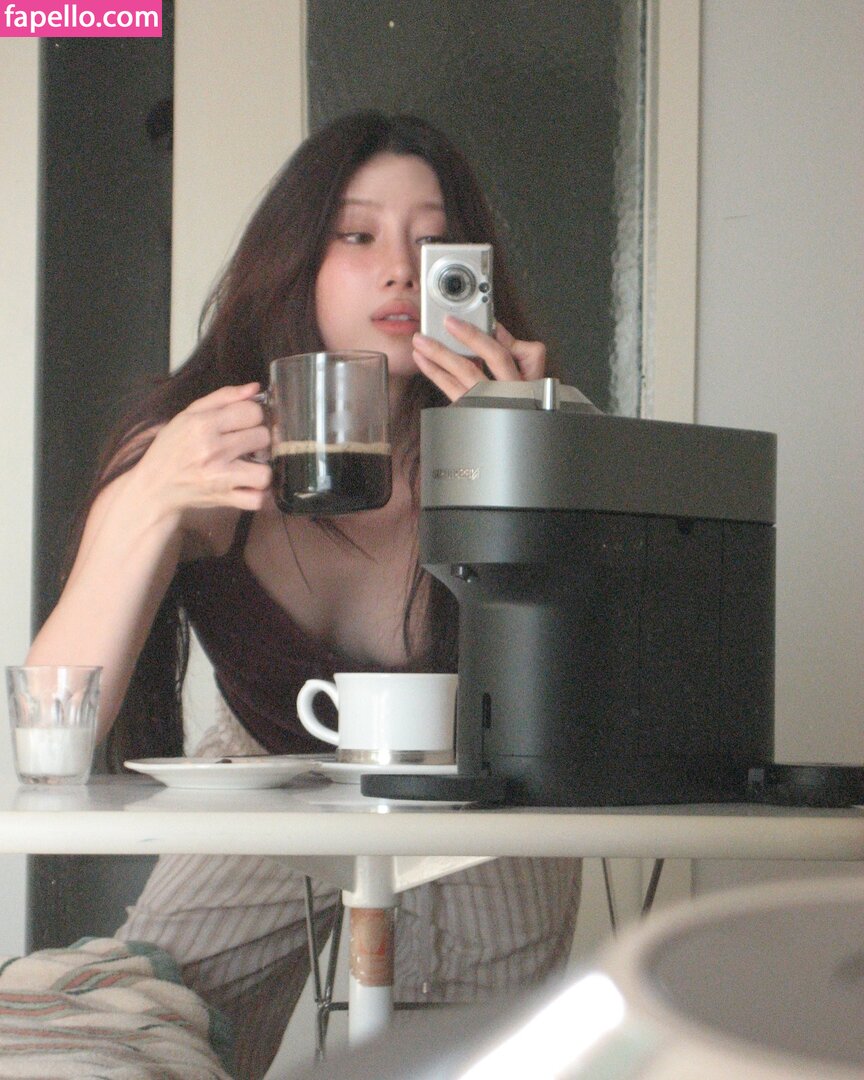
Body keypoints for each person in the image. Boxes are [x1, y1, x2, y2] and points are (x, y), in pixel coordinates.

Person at [27, 111, 581, 1078]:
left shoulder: (529, 429)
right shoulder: (207, 449)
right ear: (295, 264)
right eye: (357, 235)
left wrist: (532, 452)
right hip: (265, 769)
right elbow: (53, 735)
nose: (399, 270)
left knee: (480, 1063)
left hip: (488, 789)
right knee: (151, 1017)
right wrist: (147, 498)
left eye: (433, 243)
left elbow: (604, 704)